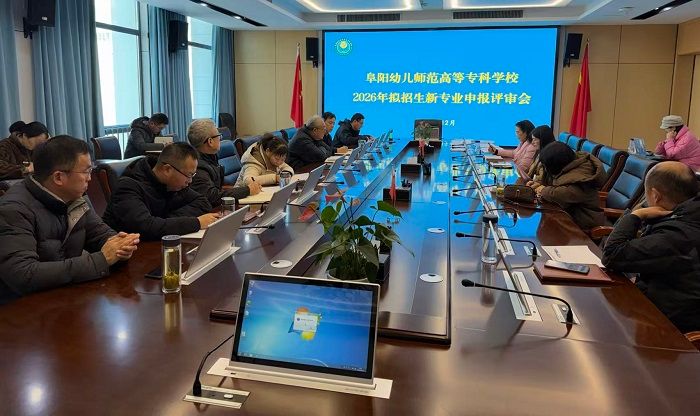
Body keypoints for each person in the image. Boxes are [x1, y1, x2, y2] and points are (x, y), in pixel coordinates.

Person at [0, 136, 139, 303]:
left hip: (66, 296)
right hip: (23, 308)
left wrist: (121, 246)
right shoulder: (13, 209)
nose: (90, 178)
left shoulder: (74, 197)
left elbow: (100, 234)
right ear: (59, 177)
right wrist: (101, 260)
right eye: (86, 171)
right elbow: (23, 274)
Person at [602, 161, 700, 333]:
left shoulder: (676, 235)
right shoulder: (689, 216)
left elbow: (612, 254)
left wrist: (636, 215)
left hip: (669, 329)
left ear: (655, 196)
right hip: (666, 304)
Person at [103, 142, 218, 241]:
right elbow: (145, 227)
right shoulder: (127, 187)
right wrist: (196, 223)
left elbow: (202, 202)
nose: (190, 181)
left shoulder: (174, 184)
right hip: (130, 252)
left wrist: (166, 221)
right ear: (167, 169)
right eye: (189, 175)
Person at [529, 141, 606, 231]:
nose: (546, 169)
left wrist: (542, 189)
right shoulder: (568, 166)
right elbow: (553, 181)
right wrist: (539, 184)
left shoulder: (582, 177)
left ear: (556, 165)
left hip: (583, 227)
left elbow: (560, 194)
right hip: (567, 217)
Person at [187, 119, 262, 207]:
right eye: (218, 135)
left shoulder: (210, 157)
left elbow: (217, 189)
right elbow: (213, 196)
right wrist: (247, 190)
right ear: (210, 141)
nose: (220, 138)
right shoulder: (197, 167)